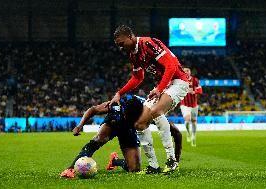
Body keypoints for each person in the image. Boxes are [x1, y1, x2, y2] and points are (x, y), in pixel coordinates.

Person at [109, 25, 189, 173]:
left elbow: (171, 66)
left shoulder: (148, 43)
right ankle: (153, 165)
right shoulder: (133, 55)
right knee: (139, 123)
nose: (120, 48)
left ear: (130, 37)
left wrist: (159, 89)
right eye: (118, 46)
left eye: (122, 44)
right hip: (164, 85)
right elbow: (137, 77)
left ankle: (171, 161)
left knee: (157, 110)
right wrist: (120, 93)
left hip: (178, 81)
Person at [60, 95, 182, 177]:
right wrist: (80, 125)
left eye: (130, 118)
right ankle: (71, 169)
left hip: (129, 131)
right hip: (113, 123)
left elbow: (176, 133)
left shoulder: (149, 112)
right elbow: (93, 110)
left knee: (134, 168)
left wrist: (176, 159)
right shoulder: (117, 105)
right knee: (98, 139)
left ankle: (115, 161)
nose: (126, 118)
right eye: (125, 115)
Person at [180, 67, 203, 147]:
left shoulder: (195, 80)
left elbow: (200, 90)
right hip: (184, 104)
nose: (186, 72)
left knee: (193, 121)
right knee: (187, 119)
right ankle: (188, 133)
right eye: (184, 71)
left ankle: (193, 136)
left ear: (190, 72)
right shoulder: (180, 80)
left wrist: (194, 91)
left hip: (194, 105)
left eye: (188, 70)